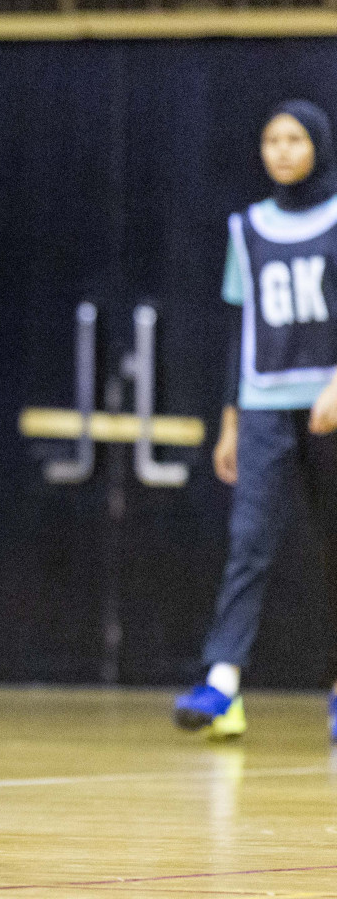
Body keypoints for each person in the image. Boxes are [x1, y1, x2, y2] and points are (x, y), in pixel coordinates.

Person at [174, 100, 337, 744]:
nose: (282, 151)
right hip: (265, 402)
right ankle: (223, 683)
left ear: (318, 146)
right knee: (249, 541)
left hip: (328, 403)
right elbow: (240, 330)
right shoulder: (247, 227)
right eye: (272, 139)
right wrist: (230, 422)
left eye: (295, 139)